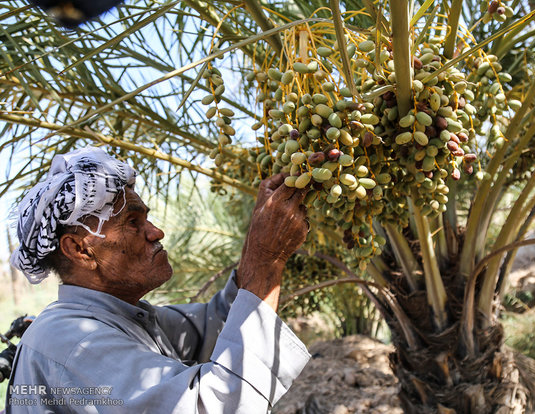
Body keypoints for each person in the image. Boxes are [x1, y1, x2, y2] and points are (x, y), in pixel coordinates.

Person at [5, 146, 311, 413]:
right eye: (133, 223)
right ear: (79, 249)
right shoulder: (74, 342)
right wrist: (268, 256)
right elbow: (212, 406)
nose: (156, 233)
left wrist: (261, 231)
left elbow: (221, 322)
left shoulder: (122, 318)